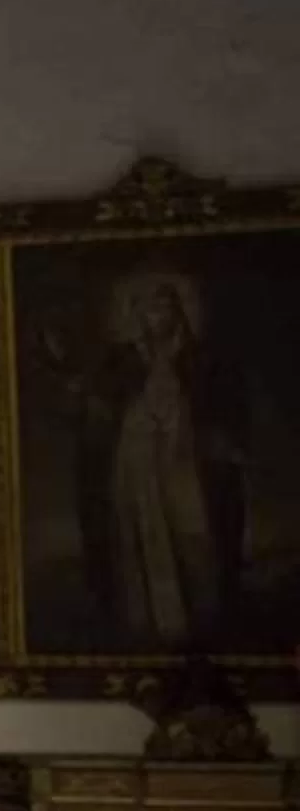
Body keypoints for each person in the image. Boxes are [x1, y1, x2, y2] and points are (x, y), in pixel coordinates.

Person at [95, 277, 244, 646]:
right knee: (143, 532)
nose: (157, 315)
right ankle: (151, 619)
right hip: (137, 460)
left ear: (179, 311)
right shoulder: (125, 359)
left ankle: (204, 616)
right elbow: (102, 408)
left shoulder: (199, 358)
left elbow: (221, 407)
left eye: (164, 306)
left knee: (193, 530)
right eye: (149, 308)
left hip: (183, 458)